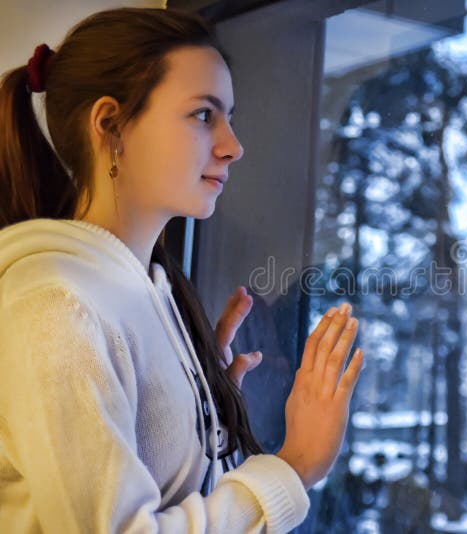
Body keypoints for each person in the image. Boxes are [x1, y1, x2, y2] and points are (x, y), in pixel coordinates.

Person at [0, 6, 364, 533]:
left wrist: (201, 422)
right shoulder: (56, 305)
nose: (233, 146)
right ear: (110, 125)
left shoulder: (150, 292)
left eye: (229, 117)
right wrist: (295, 466)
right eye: (203, 115)